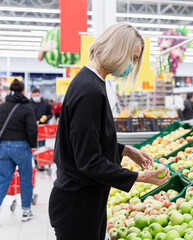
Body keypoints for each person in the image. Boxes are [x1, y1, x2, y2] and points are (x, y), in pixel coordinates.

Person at [48, 23, 170, 240]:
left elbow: (84, 140)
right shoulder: (90, 90)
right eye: (132, 58)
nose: (131, 65)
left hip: (82, 199)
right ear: (117, 50)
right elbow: (88, 160)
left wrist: (125, 150)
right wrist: (139, 177)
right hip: (78, 203)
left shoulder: (90, 81)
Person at [0, 79, 37, 221]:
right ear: (23, 91)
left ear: (10, 90)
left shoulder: (2, 106)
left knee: (2, 179)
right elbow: (32, 129)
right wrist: (32, 144)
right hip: (21, 146)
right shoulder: (26, 107)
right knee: (25, 179)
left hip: (3, 147)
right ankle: (26, 212)